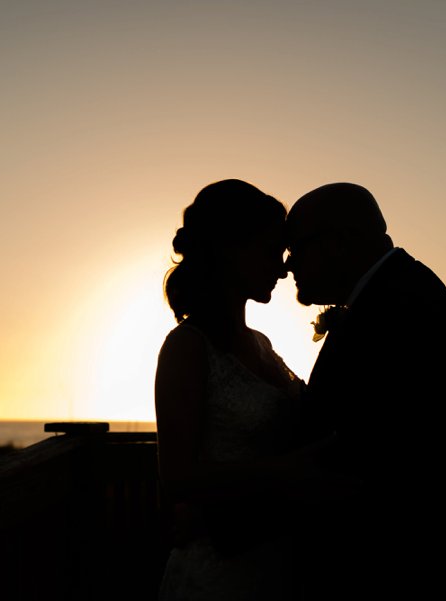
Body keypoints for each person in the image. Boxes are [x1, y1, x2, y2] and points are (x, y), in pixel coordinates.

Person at [285, 183, 446, 597]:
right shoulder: (397, 292)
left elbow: (367, 455)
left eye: (295, 247)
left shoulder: (396, 309)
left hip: (409, 569)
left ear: (340, 241)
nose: (287, 265)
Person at [154, 179, 305, 600]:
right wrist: (291, 470)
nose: (282, 268)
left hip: (275, 557)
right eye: (271, 249)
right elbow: (178, 477)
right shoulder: (187, 348)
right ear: (230, 250)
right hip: (219, 573)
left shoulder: (261, 344)